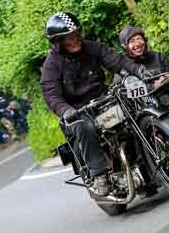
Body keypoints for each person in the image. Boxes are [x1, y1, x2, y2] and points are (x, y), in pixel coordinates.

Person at [40, 12, 147, 197]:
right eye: (68, 38)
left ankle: (148, 160)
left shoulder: (92, 47)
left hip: (103, 100)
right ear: (58, 42)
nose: (75, 40)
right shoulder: (52, 65)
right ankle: (99, 175)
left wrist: (139, 70)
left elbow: (117, 61)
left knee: (134, 110)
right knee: (84, 127)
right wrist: (66, 111)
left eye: (76, 34)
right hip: (77, 112)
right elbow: (51, 94)